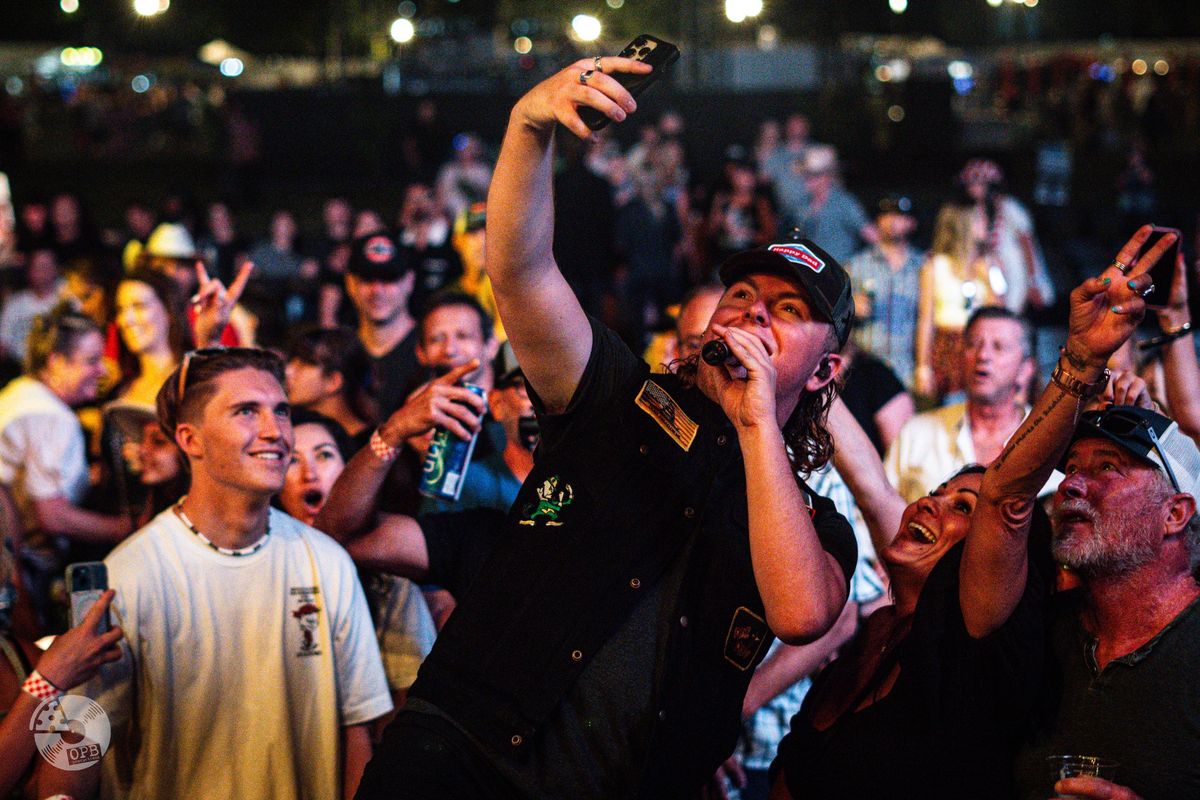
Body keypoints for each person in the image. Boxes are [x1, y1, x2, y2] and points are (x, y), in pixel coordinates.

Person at [354, 55, 857, 799]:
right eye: (742, 292)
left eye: (787, 310)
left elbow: (801, 612)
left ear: (823, 374)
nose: (751, 309)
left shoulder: (816, 527)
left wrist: (754, 425)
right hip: (462, 758)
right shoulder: (619, 392)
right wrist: (528, 128)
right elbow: (522, 273)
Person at [771, 226, 1174, 799]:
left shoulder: (977, 632)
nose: (931, 504)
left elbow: (1009, 502)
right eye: (938, 493)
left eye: (965, 507)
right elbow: (870, 480)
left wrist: (1084, 359)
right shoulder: (883, 627)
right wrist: (795, 353)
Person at [38, 347, 392, 800]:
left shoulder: (326, 561)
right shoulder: (129, 574)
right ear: (190, 439)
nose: (275, 431)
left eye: (280, 411)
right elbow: (75, 751)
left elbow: (357, 730)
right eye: (247, 411)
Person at [887, 306, 1045, 503]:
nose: (983, 356)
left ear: (1025, 369)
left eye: (998, 347)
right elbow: (875, 514)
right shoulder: (916, 433)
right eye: (973, 344)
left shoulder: (1047, 443)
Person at [914, 203, 1007, 400]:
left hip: (980, 344)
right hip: (947, 345)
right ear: (964, 224)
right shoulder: (935, 265)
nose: (986, 224)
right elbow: (926, 319)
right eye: (980, 219)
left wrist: (989, 278)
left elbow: (1000, 314)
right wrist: (923, 366)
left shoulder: (990, 264)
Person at [845, 196, 923, 387]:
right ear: (878, 220)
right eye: (886, 214)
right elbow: (833, 315)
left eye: (900, 215)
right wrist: (849, 306)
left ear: (912, 223)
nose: (893, 220)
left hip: (906, 369)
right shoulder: (856, 265)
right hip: (864, 366)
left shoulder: (923, 267)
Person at [345, 233, 420, 419]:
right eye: (367, 279)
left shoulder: (433, 348)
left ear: (409, 281)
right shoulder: (340, 353)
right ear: (350, 283)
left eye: (389, 279)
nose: (376, 291)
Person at [285, 325, 376, 448]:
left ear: (333, 382)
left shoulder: (373, 446)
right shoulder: (293, 432)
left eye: (302, 365)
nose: (288, 371)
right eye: (291, 362)